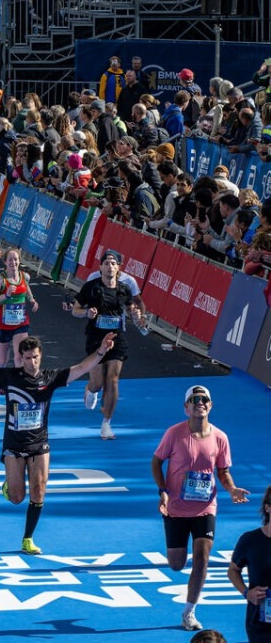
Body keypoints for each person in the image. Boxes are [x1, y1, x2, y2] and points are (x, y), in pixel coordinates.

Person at [0, 331, 118, 555]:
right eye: (28, 358)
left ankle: (28, 538)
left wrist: (101, 351)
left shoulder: (50, 377)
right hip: (14, 445)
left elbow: (81, 368)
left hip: (39, 443)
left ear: (41, 356)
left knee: (39, 490)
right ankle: (10, 485)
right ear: (21, 358)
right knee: (16, 498)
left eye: (36, 357)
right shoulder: (9, 377)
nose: (32, 362)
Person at [152, 384, 250, 633]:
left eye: (204, 399)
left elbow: (223, 472)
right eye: (194, 400)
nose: (200, 403)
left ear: (211, 405)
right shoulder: (174, 434)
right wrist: (162, 490)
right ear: (186, 408)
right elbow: (156, 462)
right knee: (176, 564)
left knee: (202, 559)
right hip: (176, 508)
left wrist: (232, 489)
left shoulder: (220, 437)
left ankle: (189, 611)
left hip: (206, 508)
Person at [66, 249, 145, 439]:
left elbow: (131, 308)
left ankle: (106, 423)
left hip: (117, 337)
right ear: (100, 267)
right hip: (96, 338)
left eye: (113, 263)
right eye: (106, 263)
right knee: (98, 383)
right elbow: (75, 309)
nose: (110, 266)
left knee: (113, 380)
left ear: (118, 268)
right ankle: (90, 390)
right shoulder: (91, 287)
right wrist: (86, 313)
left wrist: (136, 314)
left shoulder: (124, 288)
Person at [228, 484, 271, 643]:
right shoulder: (249, 540)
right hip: (259, 623)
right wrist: (247, 593)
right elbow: (233, 570)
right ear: (267, 508)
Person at [0, 248, 41, 366]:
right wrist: (6, 295)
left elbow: (26, 287)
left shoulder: (25, 276)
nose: (13, 262)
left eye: (15, 259)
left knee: (20, 356)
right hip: (2, 324)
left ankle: (19, 378)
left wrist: (31, 299)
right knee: (3, 358)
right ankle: (2, 377)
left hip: (21, 322)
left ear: (19, 261)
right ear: (5, 262)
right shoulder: (1, 279)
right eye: (10, 260)